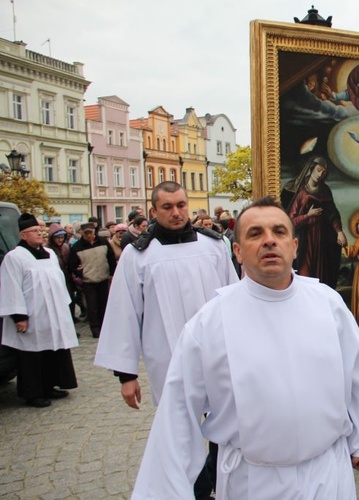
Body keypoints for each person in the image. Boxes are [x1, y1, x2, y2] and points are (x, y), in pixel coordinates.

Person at [130, 196, 359, 499]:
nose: (269, 241)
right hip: (253, 480)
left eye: (279, 232)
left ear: (294, 246)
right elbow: (178, 412)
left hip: (327, 472)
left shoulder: (327, 303)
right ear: (237, 251)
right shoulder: (210, 323)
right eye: (255, 234)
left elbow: (357, 374)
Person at [95, 181, 238, 499]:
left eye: (181, 205)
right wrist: (127, 375)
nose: (176, 212)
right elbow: (124, 312)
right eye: (167, 207)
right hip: (169, 358)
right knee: (180, 428)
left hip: (218, 354)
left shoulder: (214, 245)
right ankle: (196, 490)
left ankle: (225, 483)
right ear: (154, 210)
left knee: (226, 419)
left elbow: (235, 297)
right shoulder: (138, 256)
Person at [0, 213, 78, 407]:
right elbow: (11, 288)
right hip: (31, 314)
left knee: (52, 351)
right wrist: (19, 316)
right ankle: (33, 393)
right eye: (35, 231)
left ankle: (49, 386)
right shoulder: (15, 257)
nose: (40, 234)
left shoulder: (49, 254)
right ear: (23, 235)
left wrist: (64, 307)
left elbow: (58, 281)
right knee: (32, 356)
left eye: (40, 230)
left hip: (53, 313)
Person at [283, 156, 347, 289]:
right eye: (318, 170)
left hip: (323, 241)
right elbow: (290, 222)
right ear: (311, 169)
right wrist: (308, 216)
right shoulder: (300, 192)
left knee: (323, 279)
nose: (320, 175)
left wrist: (339, 232)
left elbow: (332, 214)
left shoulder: (325, 190)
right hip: (305, 243)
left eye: (323, 173)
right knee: (305, 277)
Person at [68, 223, 116, 338]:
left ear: (94, 232)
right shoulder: (77, 247)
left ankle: (105, 326)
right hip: (89, 280)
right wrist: (80, 273)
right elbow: (72, 265)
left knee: (103, 304)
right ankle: (95, 329)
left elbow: (111, 258)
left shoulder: (103, 243)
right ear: (82, 233)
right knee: (92, 306)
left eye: (91, 232)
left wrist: (112, 273)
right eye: (86, 233)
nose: (89, 235)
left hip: (103, 278)